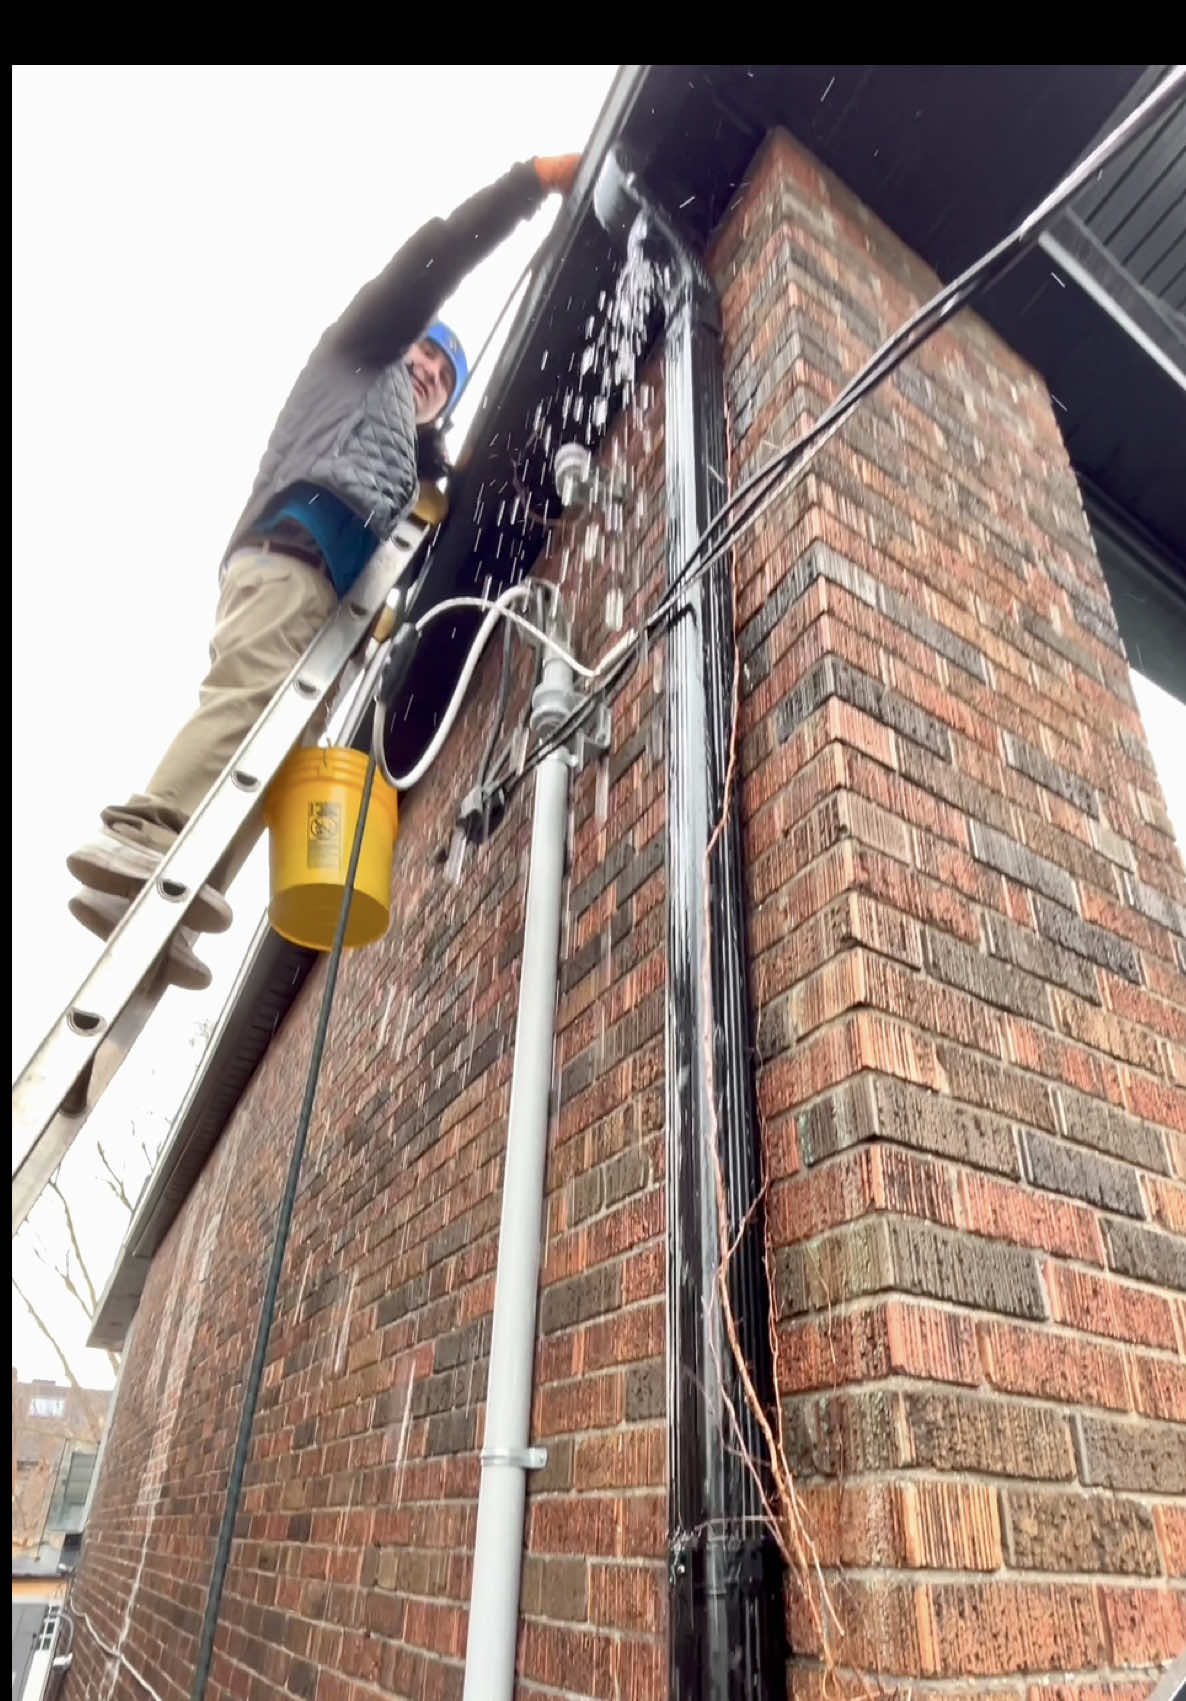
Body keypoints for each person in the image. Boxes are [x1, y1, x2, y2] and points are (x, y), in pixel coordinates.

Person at [65, 153, 583, 990]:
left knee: (273, 762)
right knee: (246, 695)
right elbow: (432, 262)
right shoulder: (358, 354)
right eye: (426, 354)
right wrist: (526, 187)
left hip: (326, 612)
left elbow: (439, 487)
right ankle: (149, 834)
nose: (429, 372)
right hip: (290, 554)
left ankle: (176, 898)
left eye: (447, 376)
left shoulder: (416, 474)